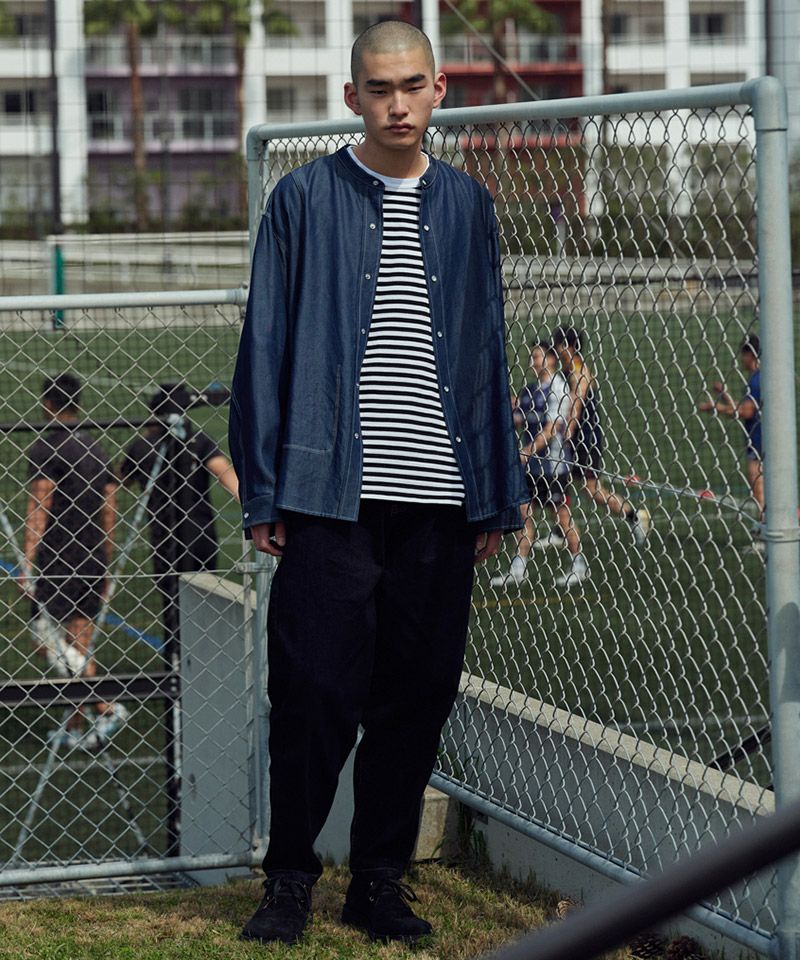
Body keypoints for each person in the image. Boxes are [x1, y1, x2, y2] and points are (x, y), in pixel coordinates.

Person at [229, 20, 526, 948]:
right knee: (313, 695)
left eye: (412, 85)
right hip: (329, 499)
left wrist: (496, 491)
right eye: (380, 89)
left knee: (417, 695)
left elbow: (486, 349)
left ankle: (379, 884)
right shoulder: (302, 198)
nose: (398, 104)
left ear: (439, 88)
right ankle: (289, 881)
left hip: (442, 501)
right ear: (352, 96)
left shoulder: (470, 204)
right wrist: (264, 490)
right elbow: (264, 346)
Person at [20, 373, 126, 742]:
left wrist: (27, 561)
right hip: (93, 554)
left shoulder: (45, 449)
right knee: (80, 641)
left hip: (58, 557)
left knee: (44, 638)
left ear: (47, 404)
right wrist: (106, 554)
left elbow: (40, 506)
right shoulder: (97, 448)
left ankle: (106, 706)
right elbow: (110, 504)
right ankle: (78, 725)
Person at [120, 383, 239, 651]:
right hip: (202, 534)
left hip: (164, 538)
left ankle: (174, 662)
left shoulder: (142, 447)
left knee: (172, 606)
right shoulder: (198, 441)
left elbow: (120, 480)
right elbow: (226, 476)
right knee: (205, 600)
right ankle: (204, 657)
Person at [490, 341, 588, 589]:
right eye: (531, 356)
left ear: (551, 359)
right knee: (524, 513)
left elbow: (552, 429)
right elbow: (518, 418)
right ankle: (519, 568)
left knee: (561, 516)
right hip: (532, 467)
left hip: (553, 466)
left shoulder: (557, 388)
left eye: (536, 356)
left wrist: (527, 451)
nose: (532, 361)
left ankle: (579, 564)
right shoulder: (531, 390)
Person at [551, 326, 650, 547]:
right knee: (561, 480)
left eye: (558, 345)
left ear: (568, 346)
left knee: (591, 489)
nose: (555, 349)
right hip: (574, 438)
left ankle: (634, 515)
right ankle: (560, 530)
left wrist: (568, 430)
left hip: (585, 439)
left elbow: (577, 402)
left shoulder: (579, 371)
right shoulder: (566, 370)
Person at [698, 332, 763, 552]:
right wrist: (725, 395)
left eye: (742, 354)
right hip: (759, 440)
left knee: (759, 490)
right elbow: (746, 407)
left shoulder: (756, 380)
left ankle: (763, 536)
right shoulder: (758, 378)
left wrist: (715, 408)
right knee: (761, 489)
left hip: (758, 442)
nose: (740, 359)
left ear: (749, 354)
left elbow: (746, 412)